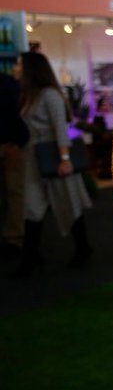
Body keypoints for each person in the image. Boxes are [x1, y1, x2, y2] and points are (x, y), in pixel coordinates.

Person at [8, 51, 93, 278]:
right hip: (35, 157)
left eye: (19, 65)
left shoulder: (49, 95)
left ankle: (82, 249)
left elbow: (59, 127)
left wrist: (65, 159)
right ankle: (30, 258)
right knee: (32, 207)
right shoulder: (31, 95)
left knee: (69, 203)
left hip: (54, 155)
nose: (16, 69)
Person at [0, 68, 28, 257]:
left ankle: (14, 239)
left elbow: (19, 116)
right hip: (12, 144)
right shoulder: (9, 83)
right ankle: (13, 238)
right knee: (13, 193)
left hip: (12, 145)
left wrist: (17, 143)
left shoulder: (8, 84)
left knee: (14, 193)